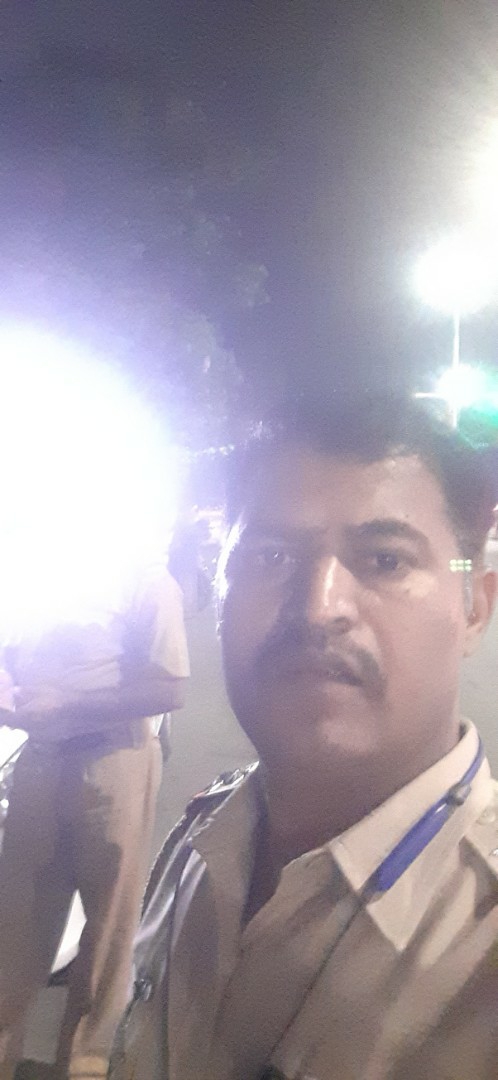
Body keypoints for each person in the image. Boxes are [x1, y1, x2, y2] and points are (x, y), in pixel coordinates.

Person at [110, 394, 498, 1080]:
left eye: (385, 560)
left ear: (475, 606)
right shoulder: (200, 839)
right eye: (270, 556)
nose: (319, 608)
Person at [0, 563, 189, 1080]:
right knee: (15, 923)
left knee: (109, 927)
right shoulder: (39, 572)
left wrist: (68, 703)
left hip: (114, 761)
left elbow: (171, 688)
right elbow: (8, 652)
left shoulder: (145, 579)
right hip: (40, 759)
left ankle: (84, 1063)